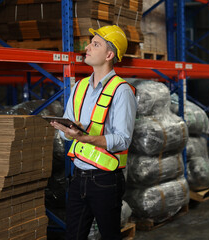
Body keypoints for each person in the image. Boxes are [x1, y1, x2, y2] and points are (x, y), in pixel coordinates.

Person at [50, 25, 137, 239]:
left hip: (105, 180)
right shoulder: (79, 87)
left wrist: (84, 137)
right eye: (90, 42)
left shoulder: (121, 90)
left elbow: (123, 139)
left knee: (109, 236)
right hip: (78, 177)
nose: (87, 47)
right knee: (74, 236)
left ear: (109, 54)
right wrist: (66, 130)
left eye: (95, 44)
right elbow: (66, 135)